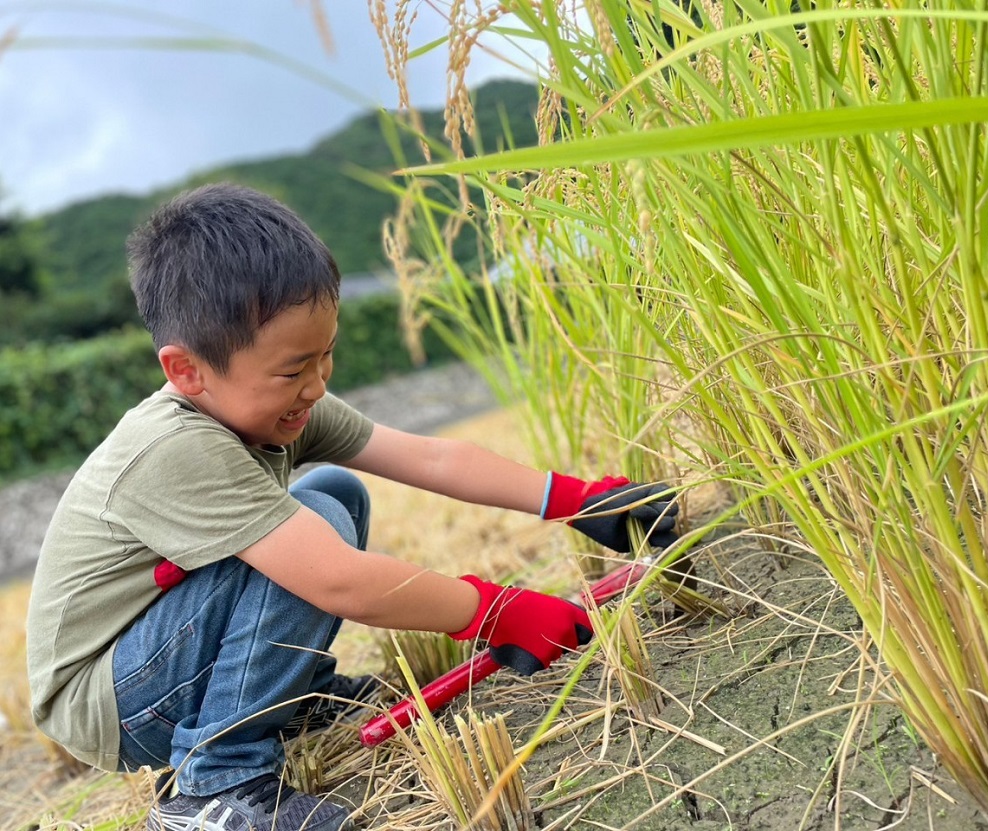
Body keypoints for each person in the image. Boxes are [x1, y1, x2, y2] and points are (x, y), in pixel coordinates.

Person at [26, 183, 679, 831]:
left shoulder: (279, 405)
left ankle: (287, 701)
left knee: (335, 492)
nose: (316, 384)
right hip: (114, 701)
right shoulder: (174, 447)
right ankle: (214, 783)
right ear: (188, 371)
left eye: (327, 354)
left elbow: (430, 458)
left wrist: (577, 498)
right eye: (292, 369)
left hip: (160, 656)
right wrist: (497, 611)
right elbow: (338, 580)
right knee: (311, 540)